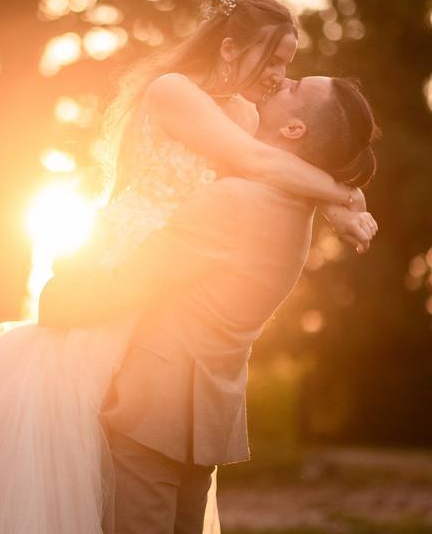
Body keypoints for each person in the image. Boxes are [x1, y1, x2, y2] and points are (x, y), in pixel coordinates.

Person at [0, 0, 377, 534]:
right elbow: (254, 161)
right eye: (278, 60)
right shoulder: (175, 91)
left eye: (289, 66)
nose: (281, 75)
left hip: (165, 271)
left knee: (114, 436)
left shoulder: (244, 116)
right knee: (64, 426)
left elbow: (269, 168)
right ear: (229, 48)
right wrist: (340, 198)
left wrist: (337, 200)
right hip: (130, 250)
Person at [40, 75, 379, 533]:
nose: (283, 80)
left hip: (152, 412)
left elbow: (129, 283)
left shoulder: (234, 201)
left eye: (296, 87)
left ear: (295, 129)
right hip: (204, 421)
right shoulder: (297, 212)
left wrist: (58, 296)